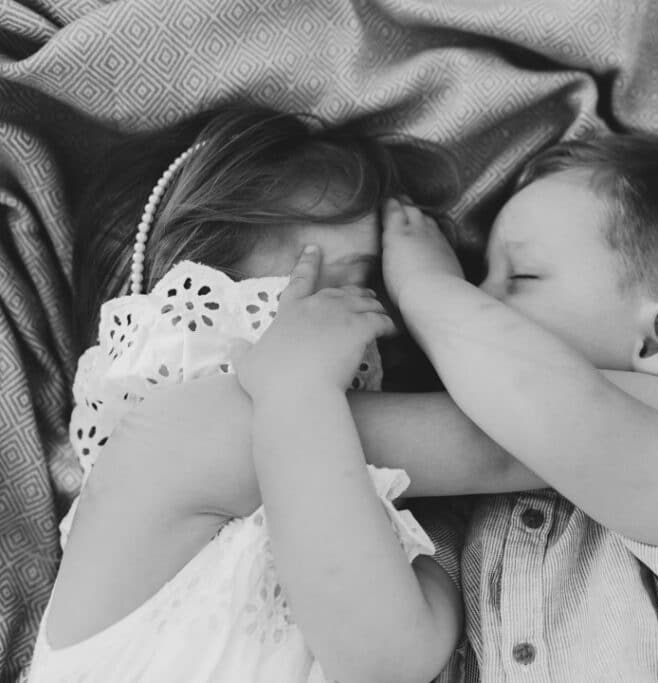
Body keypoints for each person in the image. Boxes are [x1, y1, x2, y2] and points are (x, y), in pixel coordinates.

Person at [36, 106, 658, 681]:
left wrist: (433, 295)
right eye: (356, 287)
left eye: (515, 277)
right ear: (196, 298)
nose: (394, 332)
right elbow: (491, 446)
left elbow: (547, 422)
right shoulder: (192, 434)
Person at [29, 107, 463, 683]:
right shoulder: (195, 429)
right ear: (193, 295)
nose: (370, 320)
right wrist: (441, 294)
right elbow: (514, 442)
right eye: (330, 285)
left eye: (371, 287)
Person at [380, 133, 658, 681]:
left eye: (521, 277)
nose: (478, 300)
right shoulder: (460, 514)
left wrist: (427, 289)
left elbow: (545, 409)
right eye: (476, 282)